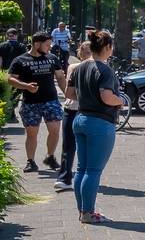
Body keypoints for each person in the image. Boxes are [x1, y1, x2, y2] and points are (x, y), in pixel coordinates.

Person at [69, 30, 125, 223]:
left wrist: (87, 97)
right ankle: (88, 213)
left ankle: (82, 211)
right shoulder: (106, 70)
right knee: (93, 171)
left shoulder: (79, 67)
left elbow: (69, 93)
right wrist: (120, 102)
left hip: (80, 118)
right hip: (100, 123)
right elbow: (106, 96)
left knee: (82, 168)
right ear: (108, 47)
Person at [7, 31, 66, 173]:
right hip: (30, 102)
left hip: (50, 100)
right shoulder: (20, 60)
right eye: (47, 44)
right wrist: (26, 86)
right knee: (32, 133)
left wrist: (67, 94)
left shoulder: (52, 58)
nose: (49, 47)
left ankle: (50, 157)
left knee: (55, 130)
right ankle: (30, 161)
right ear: (36, 44)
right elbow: (10, 79)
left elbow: (60, 77)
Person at [54, 41, 92, 192]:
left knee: (76, 146)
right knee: (73, 145)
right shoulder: (76, 67)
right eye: (86, 52)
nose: (89, 55)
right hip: (76, 108)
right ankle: (69, 177)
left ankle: (72, 177)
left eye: (91, 52)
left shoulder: (76, 67)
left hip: (78, 109)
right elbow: (72, 91)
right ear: (81, 54)